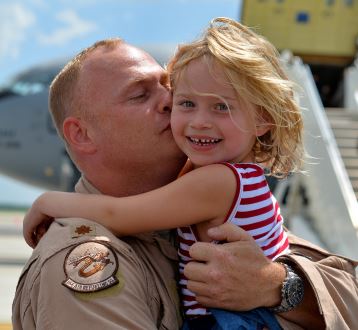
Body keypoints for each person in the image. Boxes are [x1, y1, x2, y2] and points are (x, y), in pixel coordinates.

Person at [13, 32, 357, 330]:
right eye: (140, 95)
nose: (170, 102)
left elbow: (349, 290)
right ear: (82, 134)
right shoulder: (85, 259)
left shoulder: (206, 207)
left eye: (169, 87)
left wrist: (279, 287)